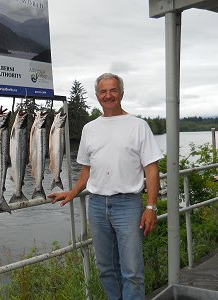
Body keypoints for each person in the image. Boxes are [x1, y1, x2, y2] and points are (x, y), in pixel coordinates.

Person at [48, 73, 163, 300]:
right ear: (97, 95)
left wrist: (151, 207)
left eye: (113, 91)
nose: (108, 96)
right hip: (98, 205)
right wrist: (72, 192)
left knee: (132, 271)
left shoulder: (138, 126)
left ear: (122, 93)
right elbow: (87, 170)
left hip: (128, 205)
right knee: (106, 269)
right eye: (103, 91)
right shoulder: (90, 128)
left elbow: (152, 169)